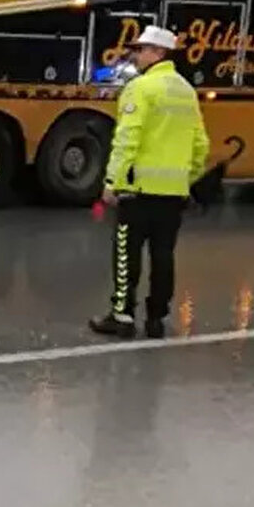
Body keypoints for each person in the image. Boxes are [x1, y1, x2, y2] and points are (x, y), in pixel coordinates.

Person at [89, 25, 211, 341]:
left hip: (136, 192)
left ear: (158, 53)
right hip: (172, 195)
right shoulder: (187, 91)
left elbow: (127, 139)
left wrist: (112, 182)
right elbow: (200, 145)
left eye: (141, 50)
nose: (136, 55)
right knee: (163, 256)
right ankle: (156, 318)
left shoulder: (140, 89)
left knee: (126, 256)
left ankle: (122, 316)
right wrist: (185, 179)